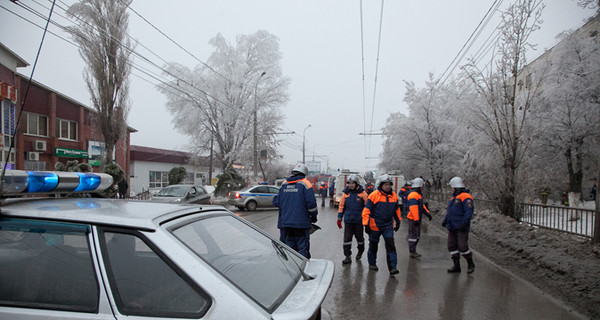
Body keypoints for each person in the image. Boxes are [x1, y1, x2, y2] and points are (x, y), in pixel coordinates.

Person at [273, 163, 318, 259]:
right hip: (301, 224)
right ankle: (303, 269)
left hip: (286, 224)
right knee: (302, 249)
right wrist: (314, 217)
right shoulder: (305, 184)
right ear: (304, 173)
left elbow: (276, 201)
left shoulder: (284, 184)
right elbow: (311, 205)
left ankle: (292, 270)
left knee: (290, 249)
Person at [362, 174, 402, 275]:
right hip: (375, 226)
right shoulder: (374, 195)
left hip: (388, 226)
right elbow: (366, 210)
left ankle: (393, 267)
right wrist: (366, 224)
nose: (387, 186)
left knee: (391, 246)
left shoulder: (394, 196)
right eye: (385, 184)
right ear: (381, 185)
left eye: (389, 184)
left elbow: (396, 210)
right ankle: (372, 263)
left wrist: (398, 221)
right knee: (373, 245)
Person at [442, 176, 475, 274]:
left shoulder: (466, 197)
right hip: (452, 226)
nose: (451, 189)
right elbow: (450, 212)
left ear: (456, 187)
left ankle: (470, 263)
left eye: (452, 187)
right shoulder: (454, 198)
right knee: (451, 246)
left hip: (461, 227)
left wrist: (464, 223)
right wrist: (445, 221)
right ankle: (456, 266)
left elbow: (468, 212)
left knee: (462, 246)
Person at [337, 174, 369, 264]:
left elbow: (367, 207)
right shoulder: (345, 193)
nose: (351, 185)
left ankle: (360, 251)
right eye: (349, 183)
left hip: (359, 221)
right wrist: (339, 218)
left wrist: (368, 220)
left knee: (360, 239)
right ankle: (347, 256)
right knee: (347, 240)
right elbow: (341, 206)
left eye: (353, 183)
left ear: (356, 183)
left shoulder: (363, 194)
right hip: (348, 221)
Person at [406, 177, 432, 258]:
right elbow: (414, 208)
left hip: (416, 218)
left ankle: (413, 250)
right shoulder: (414, 195)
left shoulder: (417, 195)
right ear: (420, 186)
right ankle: (412, 251)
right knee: (413, 236)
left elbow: (421, 206)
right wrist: (416, 219)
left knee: (416, 235)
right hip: (414, 219)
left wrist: (427, 214)